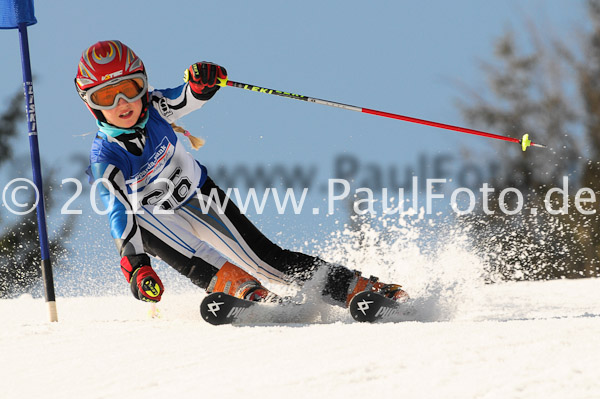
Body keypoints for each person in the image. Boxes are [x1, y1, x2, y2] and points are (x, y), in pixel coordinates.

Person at [75, 40, 407, 307]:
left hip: (197, 195)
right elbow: (118, 211)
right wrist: (136, 266)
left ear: (143, 85)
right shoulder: (106, 158)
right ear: (91, 104)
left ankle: (354, 286)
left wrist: (203, 81)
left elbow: (188, 95)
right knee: (190, 248)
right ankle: (241, 290)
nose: (122, 102)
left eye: (130, 88)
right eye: (106, 95)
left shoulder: (157, 106)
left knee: (267, 259)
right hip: (153, 219)